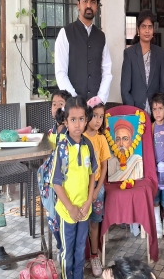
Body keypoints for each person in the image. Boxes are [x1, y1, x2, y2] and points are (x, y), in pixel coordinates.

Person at [51, 95, 97, 279]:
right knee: (67, 251)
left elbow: (92, 174)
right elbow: (56, 183)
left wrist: (88, 200)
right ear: (66, 121)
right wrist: (70, 208)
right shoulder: (62, 148)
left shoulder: (88, 145)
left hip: (84, 209)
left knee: (80, 249)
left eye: (81, 119)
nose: (77, 124)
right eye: (73, 120)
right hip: (67, 211)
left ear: (86, 120)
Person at [55, 0, 112, 103]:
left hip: (96, 105)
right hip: (73, 105)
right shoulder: (65, 33)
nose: (89, 5)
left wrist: (100, 98)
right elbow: (61, 72)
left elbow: (107, 72)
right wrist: (75, 99)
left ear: (97, 6)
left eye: (93, 2)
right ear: (78, 5)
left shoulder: (101, 37)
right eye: (85, 1)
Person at [121, 9, 164, 115]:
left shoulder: (160, 53)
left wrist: (162, 111)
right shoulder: (129, 54)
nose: (147, 31)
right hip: (135, 111)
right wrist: (133, 112)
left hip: (157, 113)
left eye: (150, 27)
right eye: (143, 26)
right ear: (138, 30)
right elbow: (125, 90)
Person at [83, 98, 110, 277]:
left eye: (101, 116)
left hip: (97, 189)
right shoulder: (79, 138)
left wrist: (97, 190)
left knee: (94, 222)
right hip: (80, 188)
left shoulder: (101, 139)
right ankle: (79, 256)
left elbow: (104, 167)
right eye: (95, 115)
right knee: (80, 223)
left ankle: (94, 255)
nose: (98, 120)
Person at [151, 93, 164, 238]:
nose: (157, 112)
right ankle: (157, 222)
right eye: (154, 109)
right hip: (155, 168)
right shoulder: (152, 127)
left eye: (160, 108)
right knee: (155, 194)